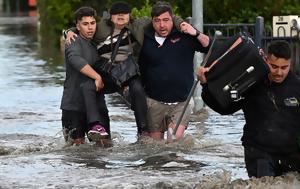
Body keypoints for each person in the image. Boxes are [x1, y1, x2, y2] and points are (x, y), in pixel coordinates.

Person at [65, 1, 185, 139]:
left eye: (124, 15)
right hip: (107, 71)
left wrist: (181, 23)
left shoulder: (139, 25)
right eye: (117, 15)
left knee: (138, 89)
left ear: (130, 16)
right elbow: (83, 28)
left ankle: (143, 130)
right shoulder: (100, 27)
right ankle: (95, 125)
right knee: (88, 85)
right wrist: (68, 32)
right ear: (110, 17)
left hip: (128, 71)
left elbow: (164, 17)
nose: (120, 17)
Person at [198, 40, 300, 178]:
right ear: (266, 59)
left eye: (284, 67)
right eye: (274, 66)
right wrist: (205, 86)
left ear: (290, 64)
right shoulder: (251, 82)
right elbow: (224, 108)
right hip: (259, 152)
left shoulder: (297, 86)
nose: (279, 72)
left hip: (291, 154)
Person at [138, 1, 210, 140]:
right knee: (156, 149)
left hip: (181, 102)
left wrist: (196, 33)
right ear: (152, 22)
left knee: (174, 139)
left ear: (173, 20)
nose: (162, 25)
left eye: (166, 20)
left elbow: (209, 45)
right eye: (157, 21)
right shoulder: (145, 38)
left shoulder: (185, 36)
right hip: (154, 102)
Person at [60, 7, 109, 145]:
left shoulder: (98, 41)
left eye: (92, 23)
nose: (90, 28)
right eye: (85, 24)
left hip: (97, 104)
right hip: (73, 106)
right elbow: (75, 59)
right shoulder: (73, 41)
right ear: (78, 26)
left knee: (106, 146)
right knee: (76, 151)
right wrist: (97, 77)